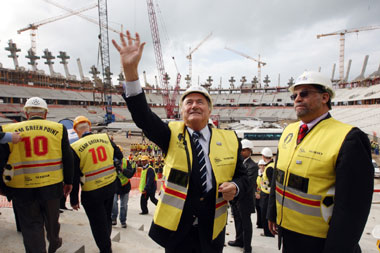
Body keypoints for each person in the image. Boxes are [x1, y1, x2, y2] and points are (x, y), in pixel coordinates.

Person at [112, 30, 247, 252]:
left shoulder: (230, 139)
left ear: (210, 109)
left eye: (200, 102)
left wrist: (236, 187)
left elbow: (243, 177)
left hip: (212, 230)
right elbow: (143, 117)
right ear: (182, 111)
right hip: (177, 232)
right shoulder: (171, 134)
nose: (194, 105)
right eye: (188, 102)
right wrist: (131, 72)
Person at [267, 71, 374, 253]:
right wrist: (272, 213)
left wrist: (338, 248)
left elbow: (353, 207)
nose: (298, 99)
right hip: (288, 233)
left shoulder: (349, 138)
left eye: (305, 93)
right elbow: (279, 176)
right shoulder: (289, 131)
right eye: (295, 95)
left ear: (325, 97)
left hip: (320, 241)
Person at [0, 96, 73, 253]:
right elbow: (68, 158)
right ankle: (54, 240)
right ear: (45, 113)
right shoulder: (59, 129)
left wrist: (3, 188)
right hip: (52, 187)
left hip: (22, 189)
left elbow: (1, 162)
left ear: (26, 113)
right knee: (52, 220)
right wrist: (68, 181)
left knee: (31, 227)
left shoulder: (7, 131)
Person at [70, 116, 123, 253]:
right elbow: (119, 155)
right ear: (89, 127)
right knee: (106, 218)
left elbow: (74, 176)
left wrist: (74, 199)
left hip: (92, 192)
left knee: (97, 224)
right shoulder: (105, 138)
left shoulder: (75, 147)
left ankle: (106, 249)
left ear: (76, 131)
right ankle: (107, 243)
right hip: (110, 186)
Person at [228, 139, 258, 253]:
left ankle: (247, 246)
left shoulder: (252, 166)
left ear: (249, 151)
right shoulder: (239, 163)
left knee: (246, 223)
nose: (241, 152)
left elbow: (248, 184)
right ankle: (239, 240)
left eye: (244, 150)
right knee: (237, 221)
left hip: (245, 200)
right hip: (236, 199)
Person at [112, 157, 136, 228]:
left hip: (125, 187)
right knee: (114, 202)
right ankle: (113, 218)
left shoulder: (127, 162)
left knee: (124, 205)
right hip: (115, 186)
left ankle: (123, 221)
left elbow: (130, 174)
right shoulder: (111, 162)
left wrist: (122, 170)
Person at [259, 147, 275, 237]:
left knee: (265, 214)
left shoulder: (269, 168)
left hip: (267, 195)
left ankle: (268, 232)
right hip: (267, 194)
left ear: (263, 156)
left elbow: (272, 183)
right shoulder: (273, 165)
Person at [255, 159, 266, 229]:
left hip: (263, 194)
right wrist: (255, 193)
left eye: (263, 165)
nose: (262, 166)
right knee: (258, 209)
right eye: (260, 165)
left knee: (263, 209)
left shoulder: (265, 173)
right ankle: (259, 222)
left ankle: (263, 223)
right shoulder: (256, 174)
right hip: (257, 193)